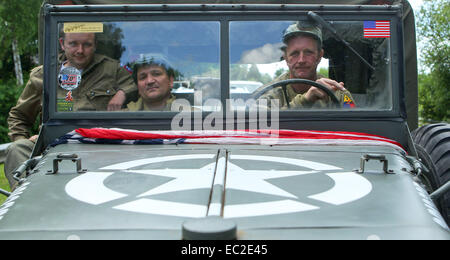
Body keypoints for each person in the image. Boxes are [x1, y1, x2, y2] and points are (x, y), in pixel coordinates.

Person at [4, 31, 138, 189]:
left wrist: (123, 93)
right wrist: (25, 138)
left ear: (94, 45)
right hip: (53, 145)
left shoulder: (111, 69)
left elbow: (136, 86)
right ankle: (28, 199)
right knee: (17, 149)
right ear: (62, 43)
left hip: (100, 142)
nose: (80, 50)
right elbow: (19, 116)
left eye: (87, 44)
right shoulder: (44, 74)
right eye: (73, 44)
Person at [258, 21, 356, 109]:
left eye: (308, 53)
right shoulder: (267, 95)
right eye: (295, 53)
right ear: (286, 58)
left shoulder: (339, 95)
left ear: (319, 56)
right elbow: (259, 124)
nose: (301, 60)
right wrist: (304, 100)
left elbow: (355, 124)